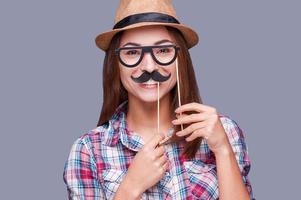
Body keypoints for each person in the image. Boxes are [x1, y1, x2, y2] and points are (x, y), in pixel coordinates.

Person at [63, 0, 255, 199]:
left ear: (180, 59)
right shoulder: (88, 150)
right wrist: (131, 187)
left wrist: (223, 149)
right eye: (132, 52)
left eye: (163, 50)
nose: (149, 67)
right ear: (115, 63)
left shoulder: (223, 130)